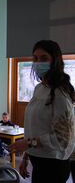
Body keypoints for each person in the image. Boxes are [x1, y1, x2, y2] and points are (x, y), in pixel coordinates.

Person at [9, 40, 75, 183]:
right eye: (35, 58)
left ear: (55, 61)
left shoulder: (59, 93)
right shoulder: (40, 88)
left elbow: (62, 138)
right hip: (39, 161)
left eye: (44, 58)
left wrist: (27, 144)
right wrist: (27, 156)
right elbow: (37, 128)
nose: (38, 63)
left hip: (54, 165)